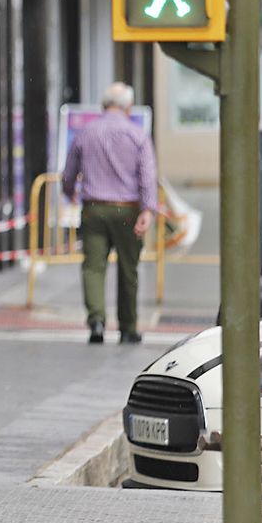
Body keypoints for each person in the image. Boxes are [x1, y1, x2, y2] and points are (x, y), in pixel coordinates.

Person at [61, 82, 158, 345]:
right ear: (128, 106)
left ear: (104, 105)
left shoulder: (86, 132)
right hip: (127, 210)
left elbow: (69, 171)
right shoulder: (137, 135)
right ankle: (128, 328)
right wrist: (148, 210)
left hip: (94, 208)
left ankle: (97, 321)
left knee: (93, 267)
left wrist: (68, 191)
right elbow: (147, 176)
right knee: (129, 270)